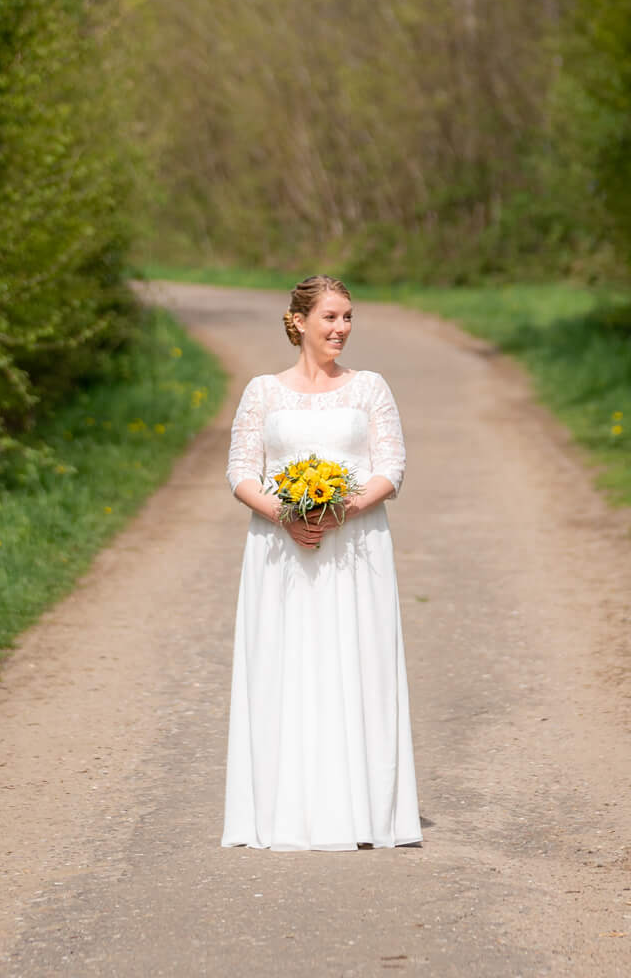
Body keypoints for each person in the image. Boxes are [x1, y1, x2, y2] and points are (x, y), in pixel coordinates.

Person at [222, 273, 421, 851]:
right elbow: (240, 471)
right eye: (331, 317)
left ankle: (362, 813)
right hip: (280, 552)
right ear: (299, 322)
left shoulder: (370, 388)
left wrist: (346, 508)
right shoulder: (263, 391)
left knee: (358, 665)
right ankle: (286, 812)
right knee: (285, 668)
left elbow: (393, 465)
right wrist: (286, 515)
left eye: (348, 317)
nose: (342, 329)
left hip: (356, 549)